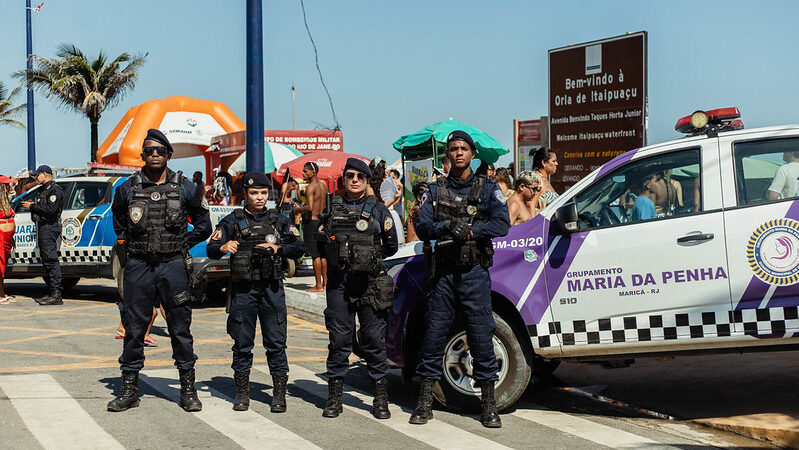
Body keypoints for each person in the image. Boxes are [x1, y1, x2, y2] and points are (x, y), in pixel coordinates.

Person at [107, 129, 211, 413]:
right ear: (143, 156)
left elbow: (204, 224)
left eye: (159, 150)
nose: (154, 155)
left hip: (173, 266)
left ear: (168, 155)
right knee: (134, 328)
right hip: (139, 266)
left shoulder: (186, 187)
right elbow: (119, 219)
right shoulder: (127, 188)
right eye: (149, 151)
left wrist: (182, 243)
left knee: (180, 328)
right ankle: (129, 389)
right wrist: (127, 242)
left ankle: (188, 389)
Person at [410, 130, 510, 428]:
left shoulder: (488, 187)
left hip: (474, 272)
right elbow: (423, 224)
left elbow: (501, 224)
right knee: (433, 336)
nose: (458, 153)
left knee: (481, 335)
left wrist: (470, 232)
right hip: (443, 273)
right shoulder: (434, 188)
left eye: (464, 148)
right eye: (453, 148)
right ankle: (424, 402)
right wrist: (447, 226)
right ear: (447, 155)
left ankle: (489, 405)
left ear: (472, 153)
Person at [207, 172, 305, 412]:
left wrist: (278, 247)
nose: (259, 198)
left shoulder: (278, 220)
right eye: (254, 193)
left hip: (271, 289)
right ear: (245, 194)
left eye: (263, 193)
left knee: (276, 344)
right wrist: (223, 246)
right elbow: (211, 248)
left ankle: (279, 395)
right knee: (242, 344)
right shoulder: (232, 221)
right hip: (243, 291)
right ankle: (242, 394)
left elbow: (299, 246)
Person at [318, 158, 398, 419]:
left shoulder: (378, 210)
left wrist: (368, 258)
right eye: (350, 175)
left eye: (360, 176)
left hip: (370, 283)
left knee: (374, 341)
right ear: (343, 178)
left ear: (366, 180)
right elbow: (319, 245)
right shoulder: (332, 209)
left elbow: (391, 245)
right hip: (339, 283)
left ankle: (381, 399)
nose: (354, 180)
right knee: (339, 340)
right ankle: (334, 398)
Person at [20, 165, 64, 306]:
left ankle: (57, 295)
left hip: (50, 227)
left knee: (51, 260)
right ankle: (51, 292)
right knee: (46, 261)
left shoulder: (54, 190)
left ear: (45, 174)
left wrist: (32, 207)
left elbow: (51, 210)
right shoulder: (44, 190)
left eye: (38, 175)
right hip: (43, 227)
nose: (36, 178)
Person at [293, 162, 326, 292]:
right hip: (322, 222)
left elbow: (310, 208)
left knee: (315, 255)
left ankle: (318, 285)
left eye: (306, 171)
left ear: (313, 172)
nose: (303, 174)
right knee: (323, 254)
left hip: (312, 222)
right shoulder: (323, 186)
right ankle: (325, 284)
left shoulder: (310, 187)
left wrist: (298, 210)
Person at [0, 176, 16, 304]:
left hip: (7, 237)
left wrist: (12, 238)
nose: (10, 187)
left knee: (4, 266)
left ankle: (2, 292)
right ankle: (0, 295)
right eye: (7, 185)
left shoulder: (6, 201)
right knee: (0, 266)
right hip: (1, 235)